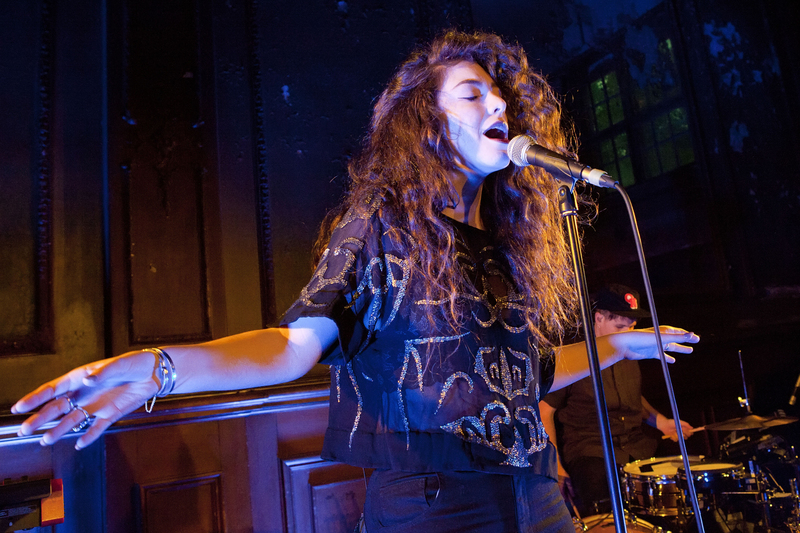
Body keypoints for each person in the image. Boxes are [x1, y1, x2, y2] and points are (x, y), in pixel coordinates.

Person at [11, 30, 698, 533]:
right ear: (426, 121)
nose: (500, 105)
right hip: (436, 504)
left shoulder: (504, 248)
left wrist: (620, 348)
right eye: (473, 92)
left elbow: (529, 374)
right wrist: (158, 368)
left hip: (537, 496)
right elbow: (291, 345)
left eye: (500, 93)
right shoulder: (382, 225)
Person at [540, 284, 695, 519]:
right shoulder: (576, 355)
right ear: (599, 318)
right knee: (605, 513)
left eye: (632, 328)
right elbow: (544, 411)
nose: (628, 334)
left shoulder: (629, 350)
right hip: (591, 450)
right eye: (621, 327)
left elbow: (629, 396)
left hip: (635, 445)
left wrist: (661, 421)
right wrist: (555, 467)